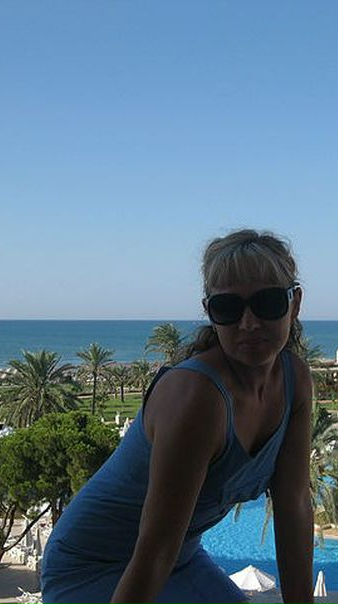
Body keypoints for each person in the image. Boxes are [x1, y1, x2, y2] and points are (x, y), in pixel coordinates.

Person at [42, 229, 314, 604]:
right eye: (228, 308)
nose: (248, 323)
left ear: (294, 303)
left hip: (181, 558)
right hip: (94, 565)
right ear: (210, 313)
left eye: (267, 303)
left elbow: (294, 505)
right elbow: (155, 549)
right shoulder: (196, 397)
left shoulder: (294, 379)